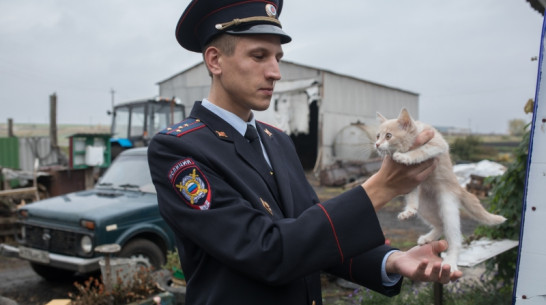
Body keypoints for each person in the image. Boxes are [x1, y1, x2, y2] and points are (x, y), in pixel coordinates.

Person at [148, 1, 463, 304]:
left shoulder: (277, 141)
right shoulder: (179, 149)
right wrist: (381, 188)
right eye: (259, 56)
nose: (275, 72)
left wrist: (393, 260)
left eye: (277, 57)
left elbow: (312, 233)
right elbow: (267, 252)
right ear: (215, 60)